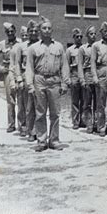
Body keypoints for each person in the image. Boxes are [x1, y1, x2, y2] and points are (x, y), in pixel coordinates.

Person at [26, 16, 70, 152]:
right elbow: (29, 67)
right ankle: (41, 140)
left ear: (52, 30)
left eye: (49, 28)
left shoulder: (59, 47)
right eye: (44, 28)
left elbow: (64, 66)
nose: (46, 30)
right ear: (40, 30)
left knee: (55, 113)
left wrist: (65, 82)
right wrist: (30, 85)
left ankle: (54, 140)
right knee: (40, 112)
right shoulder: (33, 48)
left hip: (54, 81)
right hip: (39, 80)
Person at [10, 20, 40, 141]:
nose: (33, 33)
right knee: (28, 106)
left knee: (40, 107)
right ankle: (30, 131)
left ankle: (40, 131)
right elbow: (17, 64)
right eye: (31, 31)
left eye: (35, 31)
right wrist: (18, 79)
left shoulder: (42, 45)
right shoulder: (21, 47)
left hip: (39, 78)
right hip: (25, 78)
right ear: (27, 32)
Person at [0, 22, 19, 133]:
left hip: (19, 73)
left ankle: (23, 125)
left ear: (15, 31)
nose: (10, 33)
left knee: (22, 100)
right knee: (10, 100)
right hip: (7, 73)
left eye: (12, 31)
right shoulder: (2, 44)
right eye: (8, 32)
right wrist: (0, 67)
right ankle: (11, 124)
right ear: (5, 33)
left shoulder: (20, 42)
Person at [90, 21, 107, 137]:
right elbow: (93, 63)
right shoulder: (96, 46)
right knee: (100, 103)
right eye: (105, 31)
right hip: (100, 74)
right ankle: (100, 126)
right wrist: (94, 76)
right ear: (101, 32)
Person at [79, 25, 98, 133]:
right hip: (87, 74)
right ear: (87, 35)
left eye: (95, 33)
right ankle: (89, 123)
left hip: (97, 75)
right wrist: (82, 79)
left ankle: (97, 122)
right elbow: (80, 65)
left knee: (98, 102)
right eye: (91, 34)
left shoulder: (98, 46)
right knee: (87, 102)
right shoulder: (83, 49)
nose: (93, 36)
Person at [12, 26, 29, 136]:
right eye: (22, 35)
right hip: (22, 76)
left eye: (26, 35)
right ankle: (22, 126)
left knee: (31, 104)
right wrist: (17, 79)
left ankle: (30, 126)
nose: (24, 37)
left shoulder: (33, 46)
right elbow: (15, 65)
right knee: (21, 103)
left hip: (32, 77)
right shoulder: (18, 47)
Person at [66, 28, 84, 129]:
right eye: (77, 37)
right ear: (73, 38)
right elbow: (67, 65)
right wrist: (68, 78)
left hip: (83, 76)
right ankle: (75, 121)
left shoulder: (85, 48)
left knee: (85, 99)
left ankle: (83, 120)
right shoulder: (70, 50)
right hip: (74, 74)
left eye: (81, 37)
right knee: (75, 100)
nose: (79, 38)